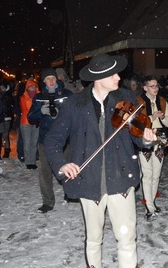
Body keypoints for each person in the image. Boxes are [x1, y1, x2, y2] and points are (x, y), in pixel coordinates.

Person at [44, 54, 157, 268]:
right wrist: (61, 163)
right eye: (113, 74)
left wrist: (146, 139)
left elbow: (137, 136)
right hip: (89, 180)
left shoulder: (126, 99)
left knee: (127, 237)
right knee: (94, 239)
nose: (118, 77)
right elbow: (53, 140)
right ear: (99, 78)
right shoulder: (75, 104)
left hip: (121, 178)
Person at [28, 68, 71, 212]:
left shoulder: (66, 95)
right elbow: (30, 118)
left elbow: (76, 113)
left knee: (68, 168)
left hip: (65, 139)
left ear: (57, 80)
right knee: (45, 172)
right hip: (45, 139)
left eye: (53, 78)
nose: (51, 81)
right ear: (44, 81)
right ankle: (47, 201)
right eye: (48, 79)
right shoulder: (39, 98)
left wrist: (62, 112)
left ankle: (70, 193)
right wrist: (41, 112)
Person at [136, 75, 168, 220]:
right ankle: (149, 207)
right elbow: (136, 123)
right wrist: (152, 117)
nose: (155, 88)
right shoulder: (139, 101)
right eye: (152, 86)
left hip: (160, 140)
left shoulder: (162, 101)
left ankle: (151, 202)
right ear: (145, 88)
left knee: (156, 174)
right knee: (147, 174)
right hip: (144, 140)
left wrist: (163, 117)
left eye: (157, 86)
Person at [20, 79, 39, 169]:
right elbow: (25, 109)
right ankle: (28, 161)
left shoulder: (38, 97)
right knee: (27, 143)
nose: (33, 88)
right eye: (31, 87)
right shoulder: (23, 98)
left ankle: (33, 161)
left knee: (34, 143)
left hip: (36, 122)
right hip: (25, 122)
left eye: (34, 87)